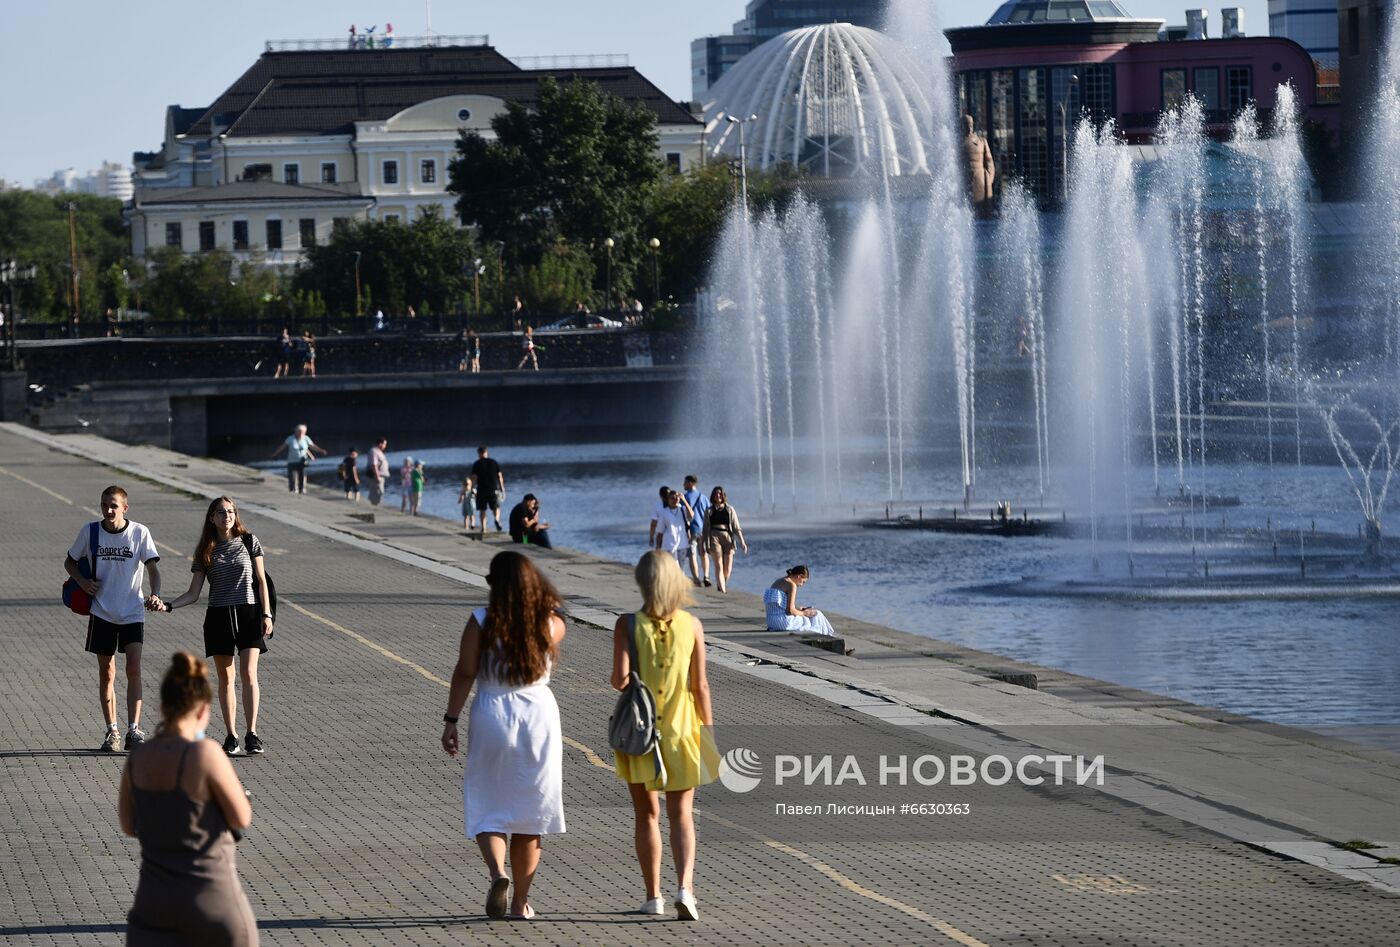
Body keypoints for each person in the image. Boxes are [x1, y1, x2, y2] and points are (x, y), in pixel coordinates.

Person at [442, 552, 566, 920]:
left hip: (492, 712)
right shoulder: (548, 623)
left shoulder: (481, 620)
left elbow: (465, 672)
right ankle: (520, 904)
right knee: (531, 813)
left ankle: (499, 873)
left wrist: (451, 719)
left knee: (487, 803)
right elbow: (560, 611)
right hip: (538, 714)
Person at [119, 651, 256, 945]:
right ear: (203, 710)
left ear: (163, 706)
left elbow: (129, 825)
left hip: (153, 905)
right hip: (210, 902)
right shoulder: (206, 754)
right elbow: (241, 817)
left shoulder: (138, 758)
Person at [612, 551, 717, 920]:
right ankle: (685, 889)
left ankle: (653, 895)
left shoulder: (627, 624)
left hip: (641, 735)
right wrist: (709, 733)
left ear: (643, 582)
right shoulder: (693, 626)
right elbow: (700, 685)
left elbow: (619, 680)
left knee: (647, 815)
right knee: (682, 815)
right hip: (683, 730)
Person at [162, 497, 274, 757]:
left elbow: (260, 581)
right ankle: (232, 735)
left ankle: (252, 734)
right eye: (221, 512)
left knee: (248, 673)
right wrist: (168, 606)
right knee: (226, 679)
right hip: (219, 617)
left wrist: (266, 615)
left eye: (231, 511)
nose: (227, 516)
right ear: (211, 518)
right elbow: (193, 593)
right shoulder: (205, 550)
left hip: (248, 613)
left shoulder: (249, 541)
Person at [64, 485, 164, 752]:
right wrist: (82, 582)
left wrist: (155, 594)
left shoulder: (139, 533)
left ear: (125, 508)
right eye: (105, 505)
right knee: (107, 673)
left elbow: (153, 569)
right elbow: (70, 561)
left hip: (132, 612)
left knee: (134, 669)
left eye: (114, 506)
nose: (108, 510)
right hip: (102, 612)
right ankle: (112, 731)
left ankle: (134, 729)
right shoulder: (90, 531)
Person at [765, 565, 836, 637]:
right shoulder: (792, 585)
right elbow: (790, 611)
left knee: (812, 615)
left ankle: (826, 636)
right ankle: (825, 637)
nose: (802, 585)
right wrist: (804, 613)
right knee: (816, 615)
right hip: (782, 622)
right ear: (799, 576)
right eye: (803, 582)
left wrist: (799, 609)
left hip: (771, 622)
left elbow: (781, 606)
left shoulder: (778, 581)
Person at [702, 486, 748, 593]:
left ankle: (721, 583)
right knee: (718, 564)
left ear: (723, 495)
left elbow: (736, 527)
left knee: (728, 568)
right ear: (713, 496)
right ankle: (722, 591)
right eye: (716, 494)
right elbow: (705, 529)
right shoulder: (709, 510)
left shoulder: (729, 509)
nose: (718, 495)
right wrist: (703, 543)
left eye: (720, 494)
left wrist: (742, 542)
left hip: (727, 537)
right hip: (714, 536)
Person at [271, 423, 326, 494]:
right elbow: (282, 447)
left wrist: (321, 450)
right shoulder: (290, 439)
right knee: (292, 476)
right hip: (292, 461)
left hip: (302, 461)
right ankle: (293, 489)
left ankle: (302, 489)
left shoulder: (306, 438)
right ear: (295, 431)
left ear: (304, 432)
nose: (300, 433)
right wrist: (275, 454)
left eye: (302, 432)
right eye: (299, 431)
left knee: (302, 475)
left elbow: (312, 446)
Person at [681, 475, 711, 587]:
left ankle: (696, 578)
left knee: (692, 554)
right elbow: (709, 514)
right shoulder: (703, 497)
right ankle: (706, 576)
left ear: (690, 483)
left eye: (685, 482)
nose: (683, 485)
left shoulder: (685, 498)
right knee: (704, 554)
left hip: (691, 530)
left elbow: (681, 514)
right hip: (703, 530)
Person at [652, 489, 692, 571]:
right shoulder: (664, 512)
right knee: (675, 568)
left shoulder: (683, 509)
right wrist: (658, 547)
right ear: (668, 500)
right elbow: (660, 531)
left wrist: (684, 500)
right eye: (672, 498)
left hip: (682, 543)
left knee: (681, 569)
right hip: (669, 545)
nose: (675, 500)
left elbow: (691, 516)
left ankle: (679, 583)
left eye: (677, 497)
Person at [471, 446, 506, 534]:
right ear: (486, 452)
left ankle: (484, 528)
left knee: (482, 509)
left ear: (479, 453)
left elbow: (474, 478)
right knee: (496, 507)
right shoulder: (494, 462)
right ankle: (497, 519)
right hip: (493, 488)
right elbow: (500, 476)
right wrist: (502, 488)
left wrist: (472, 488)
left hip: (481, 489)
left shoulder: (477, 464)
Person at [365, 437, 390, 506]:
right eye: (384, 444)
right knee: (378, 491)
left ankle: (375, 505)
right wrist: (377, 476)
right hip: (376, 476)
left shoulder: (379, 452)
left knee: (378, 491)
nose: (385, 446)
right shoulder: (374, 451)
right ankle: (374, 505)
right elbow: (374, 464)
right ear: (380, 444)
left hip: (381, 475)